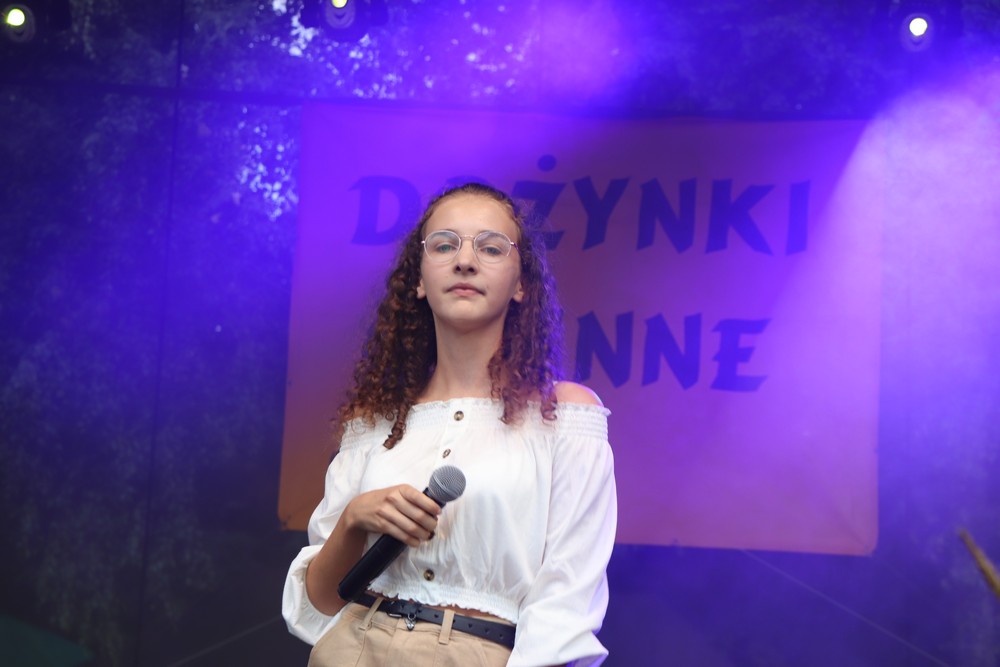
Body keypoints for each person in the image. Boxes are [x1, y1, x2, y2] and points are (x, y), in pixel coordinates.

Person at [282, 182, 617, 667]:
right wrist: (354, 517)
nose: (464, 261)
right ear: (418, 280)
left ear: (521, 284)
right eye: (444, 245)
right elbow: (319, 603)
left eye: (491, 248)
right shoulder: (376, 421)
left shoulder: (561, 414)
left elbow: (567, 600)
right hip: (354, 647)